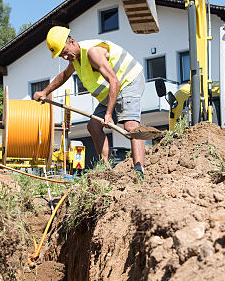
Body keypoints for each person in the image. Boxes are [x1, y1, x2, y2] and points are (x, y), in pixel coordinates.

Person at [33, 26, 146, 175]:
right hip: (112, 92)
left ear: (72, 42)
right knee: (93, 126)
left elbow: (115, 82)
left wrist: (108, 114)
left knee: (131, 126)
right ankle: (106, 170)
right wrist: (45, 92)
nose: (65, 58)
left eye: (65, 52)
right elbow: (64, 76)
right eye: (61, 56)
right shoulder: (76, 60)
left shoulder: (92, 52)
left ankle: (139, 170)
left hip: (128, 81)